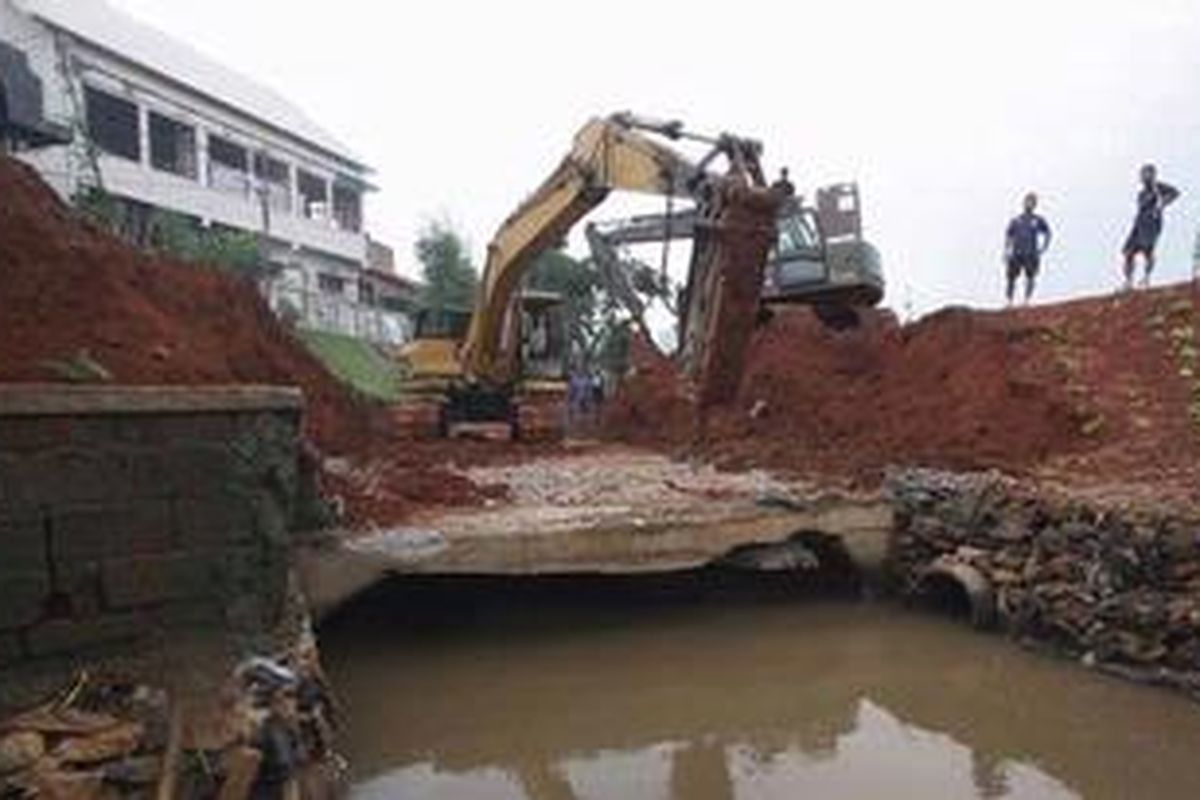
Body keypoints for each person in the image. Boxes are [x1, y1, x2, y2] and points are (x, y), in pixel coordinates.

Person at [1123, 163, 1179, 289]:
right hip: (1139, 223)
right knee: (1128, 252)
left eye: (1146, 173)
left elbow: (1175, 193)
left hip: (1151, 223)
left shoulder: (1158, 187)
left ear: (1152, 175)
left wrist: (1163, 204)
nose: (1143, 177)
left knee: (1147, 250)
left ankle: (1146, 278)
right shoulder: (1141, 193)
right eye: (1142, 174)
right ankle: (1129, 281)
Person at [1004, 192, 1052, 304]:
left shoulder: (1038, 220)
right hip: (1016, 252)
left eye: (1032, 202)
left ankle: (1027, 300)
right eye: (1027, 201)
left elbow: (1048, 233)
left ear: (1035, 205)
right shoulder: (1016, 220)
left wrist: (1043, 247)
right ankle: (1009, 301)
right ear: (1023, 203)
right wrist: (1007, 251)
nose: (1029, 204)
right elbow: (1009, 235)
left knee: (1030, 276)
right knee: (1011, 277)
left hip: (1031, 253)